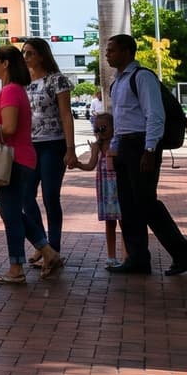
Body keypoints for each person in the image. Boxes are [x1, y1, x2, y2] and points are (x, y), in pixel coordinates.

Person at [104, 34, 187, 275]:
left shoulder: (142, 77)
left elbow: (155, 115)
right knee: (127, 205)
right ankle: (137, 259)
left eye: (111, 50)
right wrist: (113, 149)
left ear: (127, 52)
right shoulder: (116, 82)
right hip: (125, 145)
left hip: (141, 145)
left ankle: (182, 252)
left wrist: (150, 149)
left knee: (146, 203)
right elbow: (120, 119)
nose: (107, 54)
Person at [0, 44, 62, 284]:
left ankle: (16, 268)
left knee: (10, 216)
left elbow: (9, 128)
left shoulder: (11, 91)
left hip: (13, 159)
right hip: (18, 158)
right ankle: (47, 251)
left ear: (6, 63)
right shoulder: (15, 90)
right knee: (12, 213)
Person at [21, 37, 76, 263]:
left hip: (54, 143)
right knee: (25, 196)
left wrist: (70, 148)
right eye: (24, 53)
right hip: (30, 145)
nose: (25, 57)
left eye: (30, 53)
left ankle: (54, 246)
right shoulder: (22, 82)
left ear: (42, 55)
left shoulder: (56, 80)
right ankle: (42, 244)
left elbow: (66, 115)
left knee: (50, 196)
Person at [68, 110, 122, 266]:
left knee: (124, 221)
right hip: (105, 189)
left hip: (118, 187)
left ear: (113, 128)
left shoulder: (116, 143)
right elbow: (91, 165)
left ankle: (126, 255)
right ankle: (111, 256)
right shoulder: (97, 147)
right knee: (109, 223)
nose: (100, 133)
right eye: (97, 130)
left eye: (103, 129)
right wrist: (78, 164)